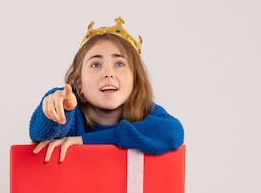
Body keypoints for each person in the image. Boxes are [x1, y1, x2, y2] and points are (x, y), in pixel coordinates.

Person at [29, 16, 184, 162]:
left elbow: (172, 132)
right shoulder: (72, 113)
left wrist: (85, 141)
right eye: (96, 65)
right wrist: (57, 107)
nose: (108, 73)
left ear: (135, 79)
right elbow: (41, 132)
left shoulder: (145, 113)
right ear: (79, 83)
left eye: (119, 64)